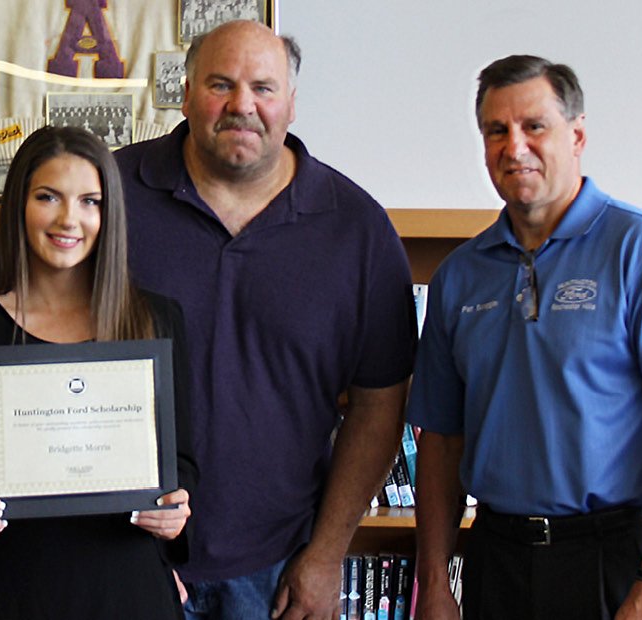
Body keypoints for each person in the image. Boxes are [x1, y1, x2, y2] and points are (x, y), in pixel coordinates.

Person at [408, 55, 642, 620]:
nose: (514, 147)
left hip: (617, 561)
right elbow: (441, 440)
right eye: (496, 131)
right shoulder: (460, 275)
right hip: (496, 559)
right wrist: (434, 581)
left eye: (534, 126)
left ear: (577, 136)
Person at [114, 20, 417, 619]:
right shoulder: (108, 194)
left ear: (292, 103)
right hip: (121, 554)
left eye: (263, 88)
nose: (242, 105)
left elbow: (380, 407)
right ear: (186, 93)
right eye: (220, 85)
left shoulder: (357, 230)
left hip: (275, 568)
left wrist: (327, 555)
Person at [0, 125, 197, 619]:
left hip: (128, 594)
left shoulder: (156, 321)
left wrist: (176, 513)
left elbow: (184, 465)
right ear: (19, 205)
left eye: (90, 201)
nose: (70, 218)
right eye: (48, 197)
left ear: (109, 214)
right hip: (8, 596)